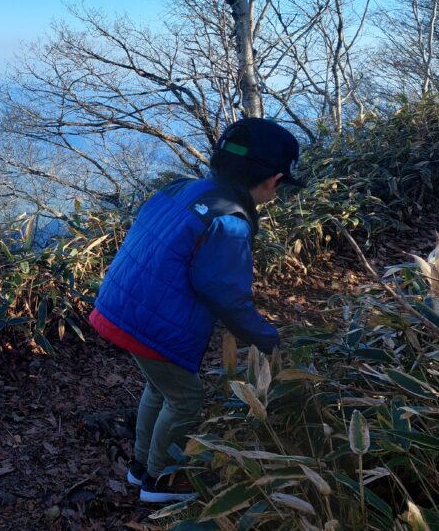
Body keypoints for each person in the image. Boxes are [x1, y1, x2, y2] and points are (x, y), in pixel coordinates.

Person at [89, 118, 304, 504]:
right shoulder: (229, 220)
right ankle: (161, 481)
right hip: (151, 323)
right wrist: (267, 339)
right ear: (273, 180)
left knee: (161, 388)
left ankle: (141, 468)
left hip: (119, 307)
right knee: (185, 399)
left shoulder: (181, 188)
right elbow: (224, 293)